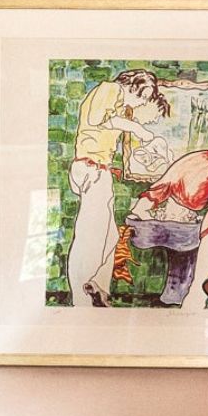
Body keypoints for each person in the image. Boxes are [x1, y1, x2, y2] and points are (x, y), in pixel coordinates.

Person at [64, 69, 166, 307]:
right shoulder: (110, 89)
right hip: (92, 168)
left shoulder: (116, 103)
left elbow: (108, 123)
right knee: (91, 236)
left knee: (110, 237)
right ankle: (80, 297)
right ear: (133, 87)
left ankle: (97, 288)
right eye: (142, 97)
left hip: (98, 169)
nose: (141, 103)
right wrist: (137, 129)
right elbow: (98, 120)